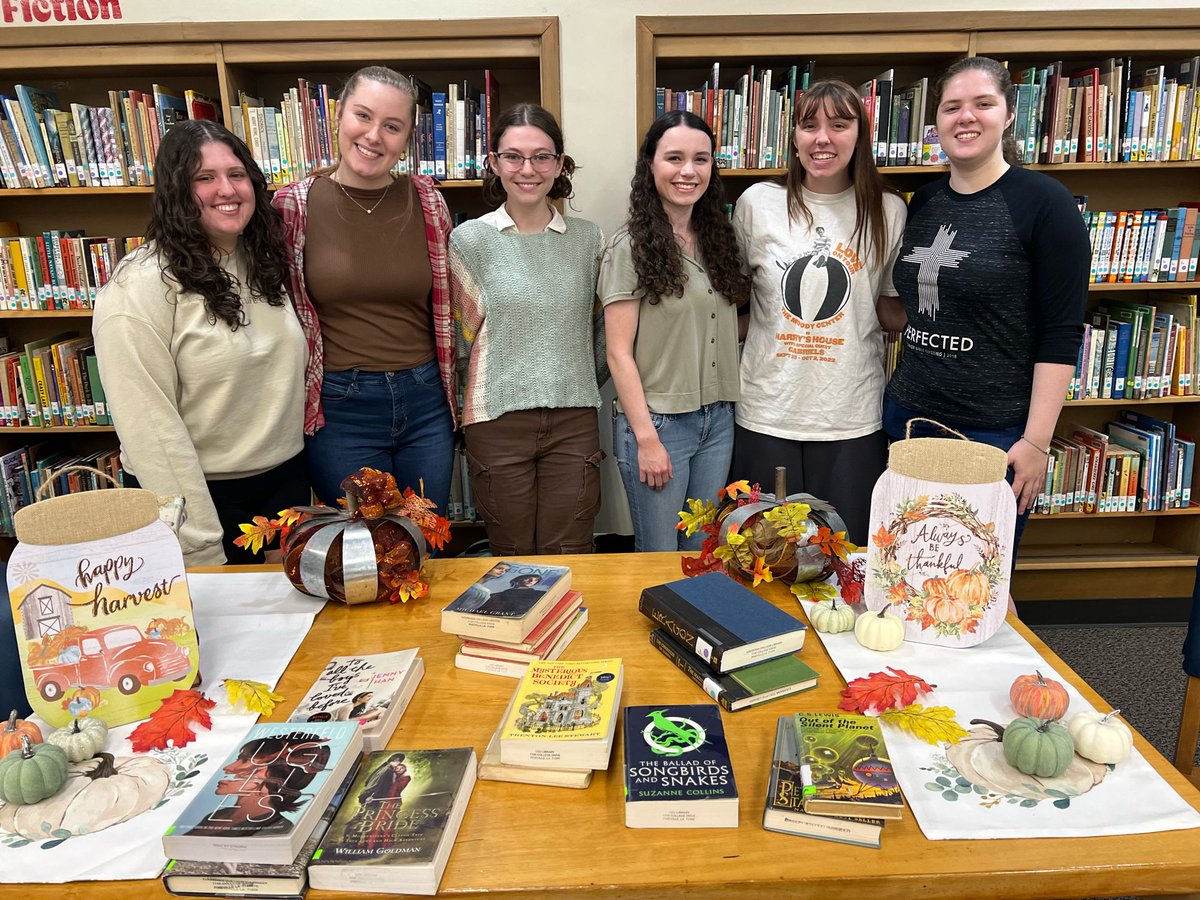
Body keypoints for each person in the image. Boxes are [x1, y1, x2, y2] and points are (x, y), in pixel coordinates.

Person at [884, 57, 1089, 551]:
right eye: (952, 107)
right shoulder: (924, 201)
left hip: (992, 434)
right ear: (936, 122)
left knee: (980, 580)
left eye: (982, 104)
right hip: (908, 418)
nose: (966, 117)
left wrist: (1037, 440)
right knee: (907, 566)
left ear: (1009, 114)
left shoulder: (1045, 203)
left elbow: (1061, 332)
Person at [93, 120, 308, 566]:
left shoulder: (262, 259)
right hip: (202, 499)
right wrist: (198, 540)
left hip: (283, 486)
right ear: (175, 192)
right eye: (203, 178)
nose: (225, 190)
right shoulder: (139, 286)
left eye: (236, 174)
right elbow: (150, 428)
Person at [273, 66, 457, 512]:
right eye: (363, 116)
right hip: (340, 408)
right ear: (338, 117)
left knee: (422, 541)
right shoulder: (292, 206)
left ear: (407, 138)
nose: (375, 136)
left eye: (392, 127)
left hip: (426, 401)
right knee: (360, 550)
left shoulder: (428, 201)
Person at [731, 80, 906, 545]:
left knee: (843, 557)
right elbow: (734, 303)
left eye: (839, 124)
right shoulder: (756, 204)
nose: (822, 138)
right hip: (768, 409)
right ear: (794, 137)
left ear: (859, 134)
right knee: (763, 554)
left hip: (851, 413)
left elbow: (887, 307)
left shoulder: (889, 210)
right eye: (809, 126)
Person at [450, 103, 606, 556]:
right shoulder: (469, 241)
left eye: (542, 156)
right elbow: (461, 343)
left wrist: (568, 378)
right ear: (494, 164)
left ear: (559, 165)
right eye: (513, 156)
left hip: (574, 421)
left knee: (571, 553)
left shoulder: (589, 240)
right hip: (497, 421)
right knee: (511, 555)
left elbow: (600, 335)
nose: (527, 169)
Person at [600, 110, 750, 552]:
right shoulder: (628, 247)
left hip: (718, 419)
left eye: (701, 160)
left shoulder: (719, 240)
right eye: (675, 158)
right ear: (650, 165)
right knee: (660, 557)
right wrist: (647, 439)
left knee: (701, 553)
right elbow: (617, 353)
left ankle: (693, 626)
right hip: (660, 425)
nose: (689, 171)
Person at [196, 733, 330, 835]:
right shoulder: (219, 815)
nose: (228, 768)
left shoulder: (279, 830)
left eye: (245, 761)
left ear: (273, 774)